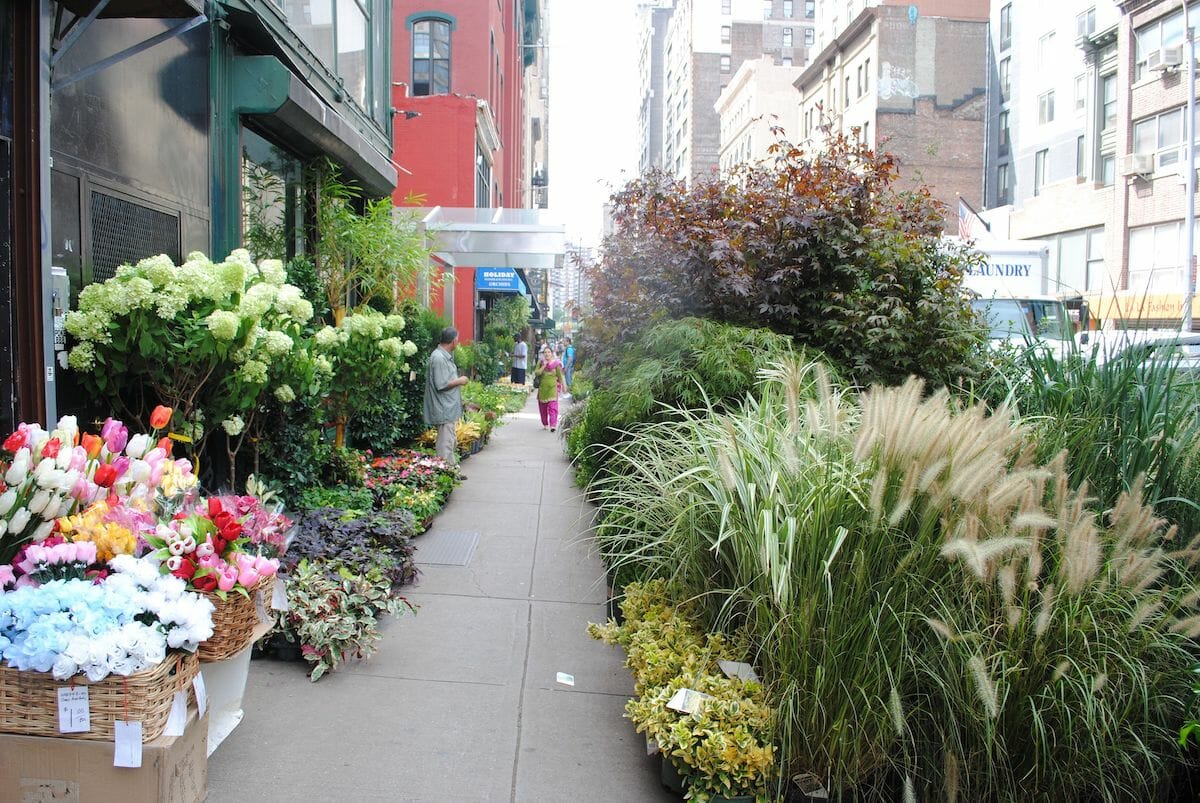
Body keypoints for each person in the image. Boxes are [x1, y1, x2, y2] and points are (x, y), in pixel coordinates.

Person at [423, 327, 469, 466]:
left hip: (447, 408)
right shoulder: (438, 357)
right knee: (445, 443)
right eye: (457, 340)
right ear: (453, 341)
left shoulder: (442, 356)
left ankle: (451, 469)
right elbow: (441, 384)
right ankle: (444, 471)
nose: (458, 342)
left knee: (450, 440)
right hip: (443, 408)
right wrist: (460, 381)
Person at [532, 344, 565, 432]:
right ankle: (545, 424)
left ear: (552, 353)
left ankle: (553, 425)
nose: (547, 354)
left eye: (549, 352)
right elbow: (537, 373)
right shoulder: (541, 362)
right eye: (545, 352)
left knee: (553, 407)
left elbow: (560, 376)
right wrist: (543, 366)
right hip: (542, 389)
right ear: (543, 354)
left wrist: (564, 387)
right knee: (543, 408)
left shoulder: (556, 363)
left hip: (552, 388)